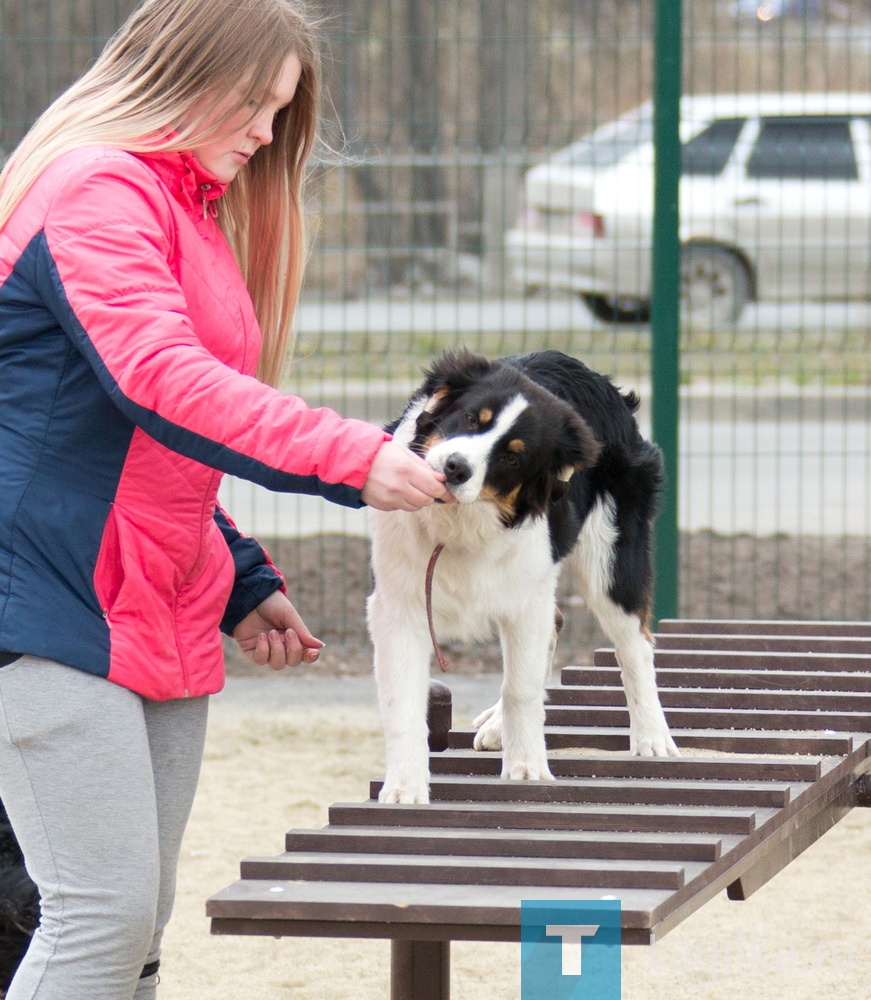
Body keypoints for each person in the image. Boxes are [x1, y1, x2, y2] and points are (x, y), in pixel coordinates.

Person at [0, 0, 449, 996]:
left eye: (278, 111)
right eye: (252, 102)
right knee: (97, 915)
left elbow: (137, 448)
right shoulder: (94, 190)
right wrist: (350, 456)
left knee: (136, 927)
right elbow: (160, 380)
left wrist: (238, 577)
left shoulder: (185, 210)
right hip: (40, 598)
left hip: (142, 599)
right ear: (173, 70)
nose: (262, 130)